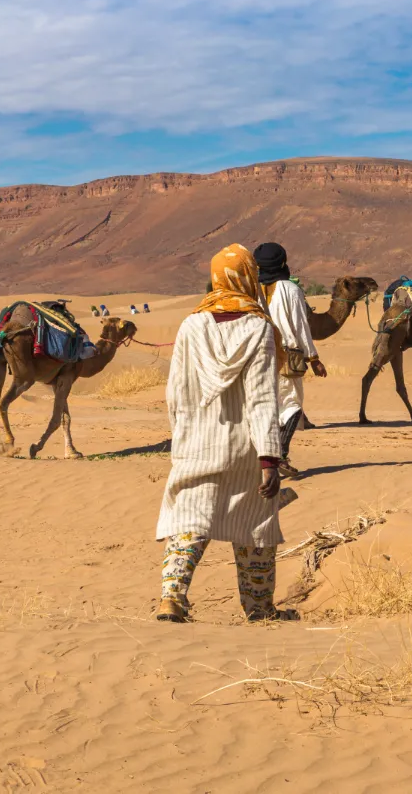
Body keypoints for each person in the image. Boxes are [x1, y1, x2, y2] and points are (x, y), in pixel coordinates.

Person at [154, 244, 287, 623]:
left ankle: (171, 599)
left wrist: (180, 435)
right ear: (249, 278)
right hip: (244, 449)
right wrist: (269, 458)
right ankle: (259, 608)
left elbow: (175, 390)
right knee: (255, 527)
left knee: (189, 521)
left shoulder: (191, 325)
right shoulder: (260, 327)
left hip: (197, 443)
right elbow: (262, 398)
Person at [253, 242, 325, 477]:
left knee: (267, 406)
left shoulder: (251, 289)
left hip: (257, 356)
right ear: (282, 262)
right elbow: (301, 325)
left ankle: (265, 458)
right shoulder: (290, 290)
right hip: (286, 354)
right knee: (292, 405)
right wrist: (313, 357)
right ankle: (279, 456)